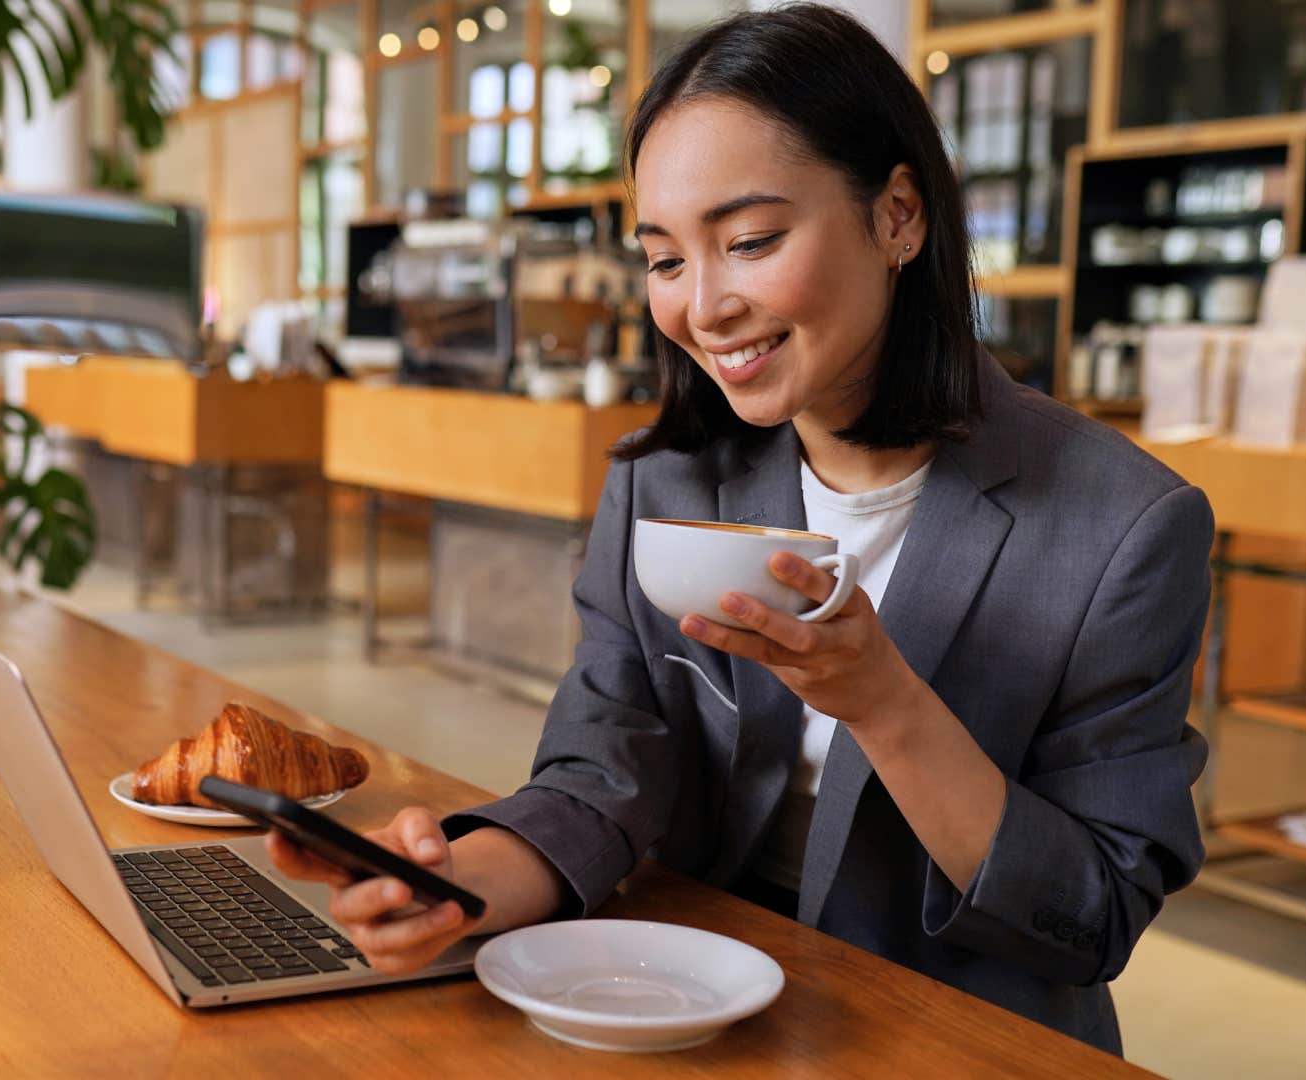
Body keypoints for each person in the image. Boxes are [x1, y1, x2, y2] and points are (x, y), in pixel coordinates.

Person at [270, 3, 1211, 1055]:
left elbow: (1093, 915)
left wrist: (886, 706)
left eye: (751, 241)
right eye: (666, 259)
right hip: (687, 1001)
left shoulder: (1122, 526)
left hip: (953, 1034)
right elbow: (606, 767)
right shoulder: (665, 478)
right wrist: (459, 888)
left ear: (899, 215)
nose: (704, 306)